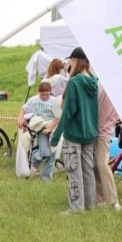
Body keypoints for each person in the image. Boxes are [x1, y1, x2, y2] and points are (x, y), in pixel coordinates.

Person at [50, 47, 99, 213]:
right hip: (90, 133)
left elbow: (68, 112)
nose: (69, 63)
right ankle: (90, 205)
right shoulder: (94, 80)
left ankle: (76, 208)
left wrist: (56, 136)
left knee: (74, 171)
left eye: (71, 60)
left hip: (74, 134)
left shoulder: (74, 82)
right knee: (88, 171)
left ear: (76, 61)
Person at [17, 81, 58, 181]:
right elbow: (24, 108)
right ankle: (34, 159)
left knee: (52, 154)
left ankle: (45, 179)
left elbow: (59, 116)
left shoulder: (54, 101)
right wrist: (20, 118)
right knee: (45, 152)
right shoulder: (33, 100)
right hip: (41, 129)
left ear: (50, 92)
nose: (44, 97)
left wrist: (51, 128)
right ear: (38, 92)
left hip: (53, 128)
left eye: (47, 94)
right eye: (42, 94)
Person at [94, 81, 121, 210]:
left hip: (103, 132)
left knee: (101, 164)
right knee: (96, 165)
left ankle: (113, 200)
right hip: (100, 130)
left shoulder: (104, 87)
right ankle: (101, 200)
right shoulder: (105, 87)